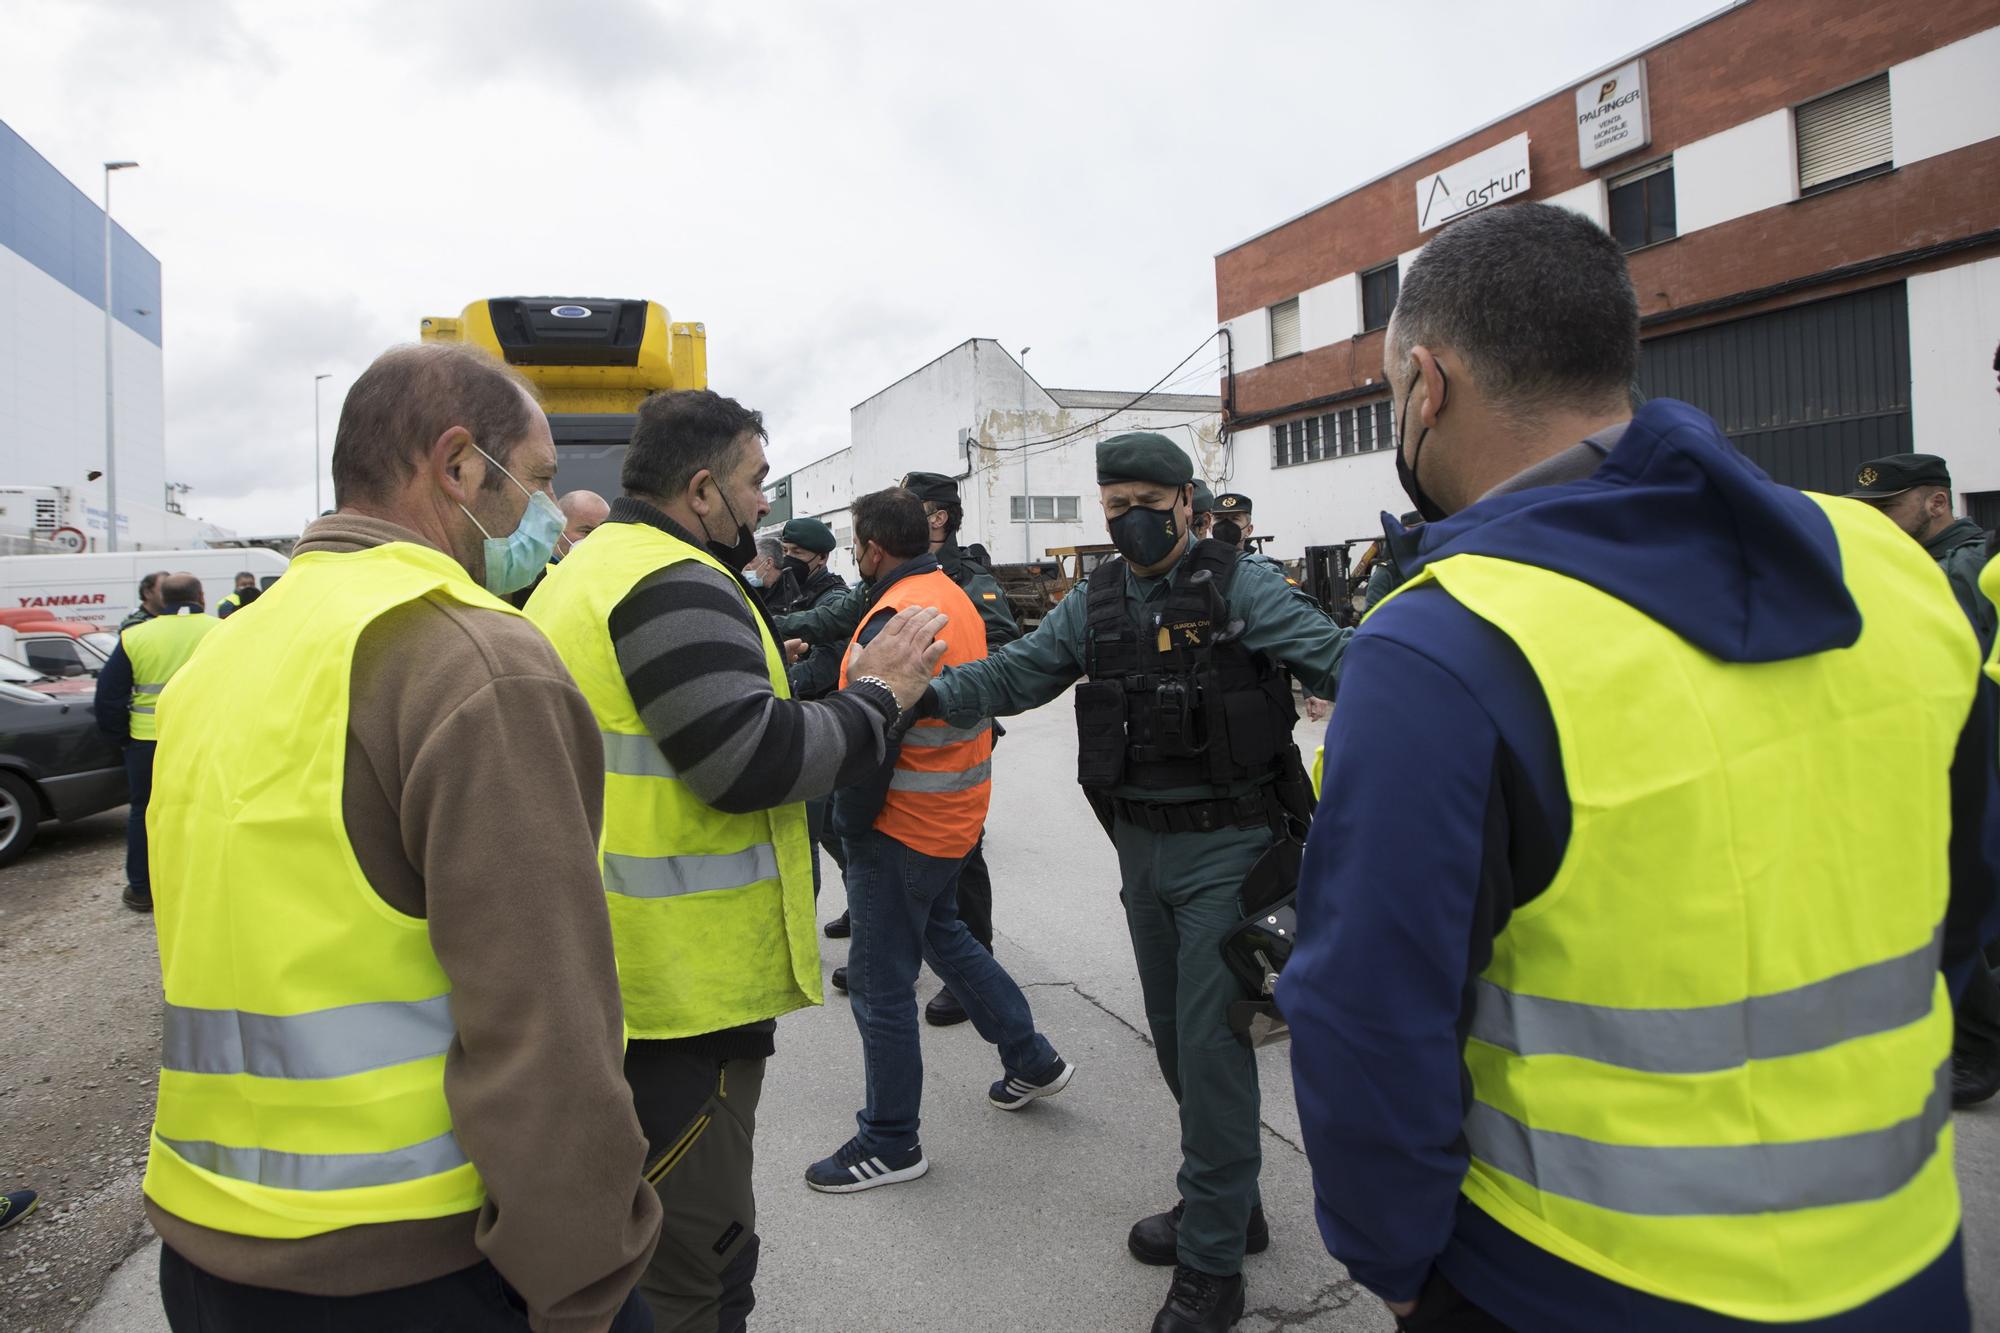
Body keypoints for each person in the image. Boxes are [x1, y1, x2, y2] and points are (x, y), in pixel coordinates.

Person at [1280, 201, 1992, 1333]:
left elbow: (1367, 1018)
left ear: (1426, 384)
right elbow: (1960, 899)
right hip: (1899, 1257)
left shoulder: (1445, 641)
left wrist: (1398, 1265)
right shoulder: (1895, 573)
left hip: (1564, 1279)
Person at [141, 343, 660, 1332]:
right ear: (459, 466)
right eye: (540, 481)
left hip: (207, 1248)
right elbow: (543, 1024)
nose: (546, 517)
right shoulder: (468, 655)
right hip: (414, 1265)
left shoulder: (224, 654)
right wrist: (587, 1284)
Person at [525, 388, 948, 1333]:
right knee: (696, 1269)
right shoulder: (669, 579)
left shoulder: (594, 570)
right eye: (756, 482)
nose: (765, 504)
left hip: (615, 973)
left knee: (632, 1249)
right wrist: (881, 699)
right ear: (705, 488)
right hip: (679, 994)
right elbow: (748, 760)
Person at [915, 431, 1348, 1333]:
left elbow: (1341, 660)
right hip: (1140, 852)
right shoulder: (1097, 598)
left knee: (1212, 1044)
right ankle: (1233, 1202)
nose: (1133, 519)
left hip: (1230, 850)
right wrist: (922, 693)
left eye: (1151, 500)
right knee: (1174, 1042)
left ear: (1188, 500)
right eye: (1116, 505)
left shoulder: (1240, 585)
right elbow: (1022, 671)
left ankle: (1213, 1266)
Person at [807, 487, 1073, 1193]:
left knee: (880, 985)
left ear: (871, 547)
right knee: (947, 937)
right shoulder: (946, 593)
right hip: (951, 818)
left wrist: (849, 824)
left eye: (856, 543)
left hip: (900, 826)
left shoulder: (894, 617)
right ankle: (1031, 1057)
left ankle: (890, 1139)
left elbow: (875, 737)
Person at [780, 471, 1020, 1021]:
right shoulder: (904, 587)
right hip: (934, 778)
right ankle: (1030, 1056)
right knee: (939, 917)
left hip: (926, 781)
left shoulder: (951, 586)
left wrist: (852, 818)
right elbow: (833, 619)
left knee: (948, 900)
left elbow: (1002, 661)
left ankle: (957, 983)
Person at [1846, 452, 2000, 1108]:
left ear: (1937, 502)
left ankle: (1981, 1043)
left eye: (1890, 507)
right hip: (1950, 742)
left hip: (1965, 743)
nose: (1878, 520)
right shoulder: (1916, 564)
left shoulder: (1960, 567)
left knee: (1953, 889)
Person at [94, 572, 214, 914]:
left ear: (162, 598)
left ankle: (143, 889)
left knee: (144, 813)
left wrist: (121, 737)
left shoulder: (135, 637)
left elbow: (109, 697)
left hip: (148, 742)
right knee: (209, 808)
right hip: (206, 737)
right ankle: (205, 885)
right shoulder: (222, 629)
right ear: (201, 596)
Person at [779, 516, 852, 903]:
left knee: (812, 828)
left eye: (798, 554)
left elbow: (829, 664)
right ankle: (863, 909)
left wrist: (784, 678)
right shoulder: (801, 591)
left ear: (821, 558)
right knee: (827, 829)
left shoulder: (834, 600)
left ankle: (814, 916)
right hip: (808, 724)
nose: (789, 559)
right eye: (786, 551)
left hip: (824, 724)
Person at [560, 487, 612, 554]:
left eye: (602, 533)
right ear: (557, 531)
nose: (596, 540)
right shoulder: (542, 563)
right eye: (587, 532)